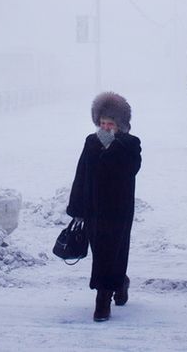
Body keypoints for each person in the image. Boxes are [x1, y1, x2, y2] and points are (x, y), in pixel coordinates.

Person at [66, 91, 141, 323]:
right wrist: (76, 208)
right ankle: (119, 282)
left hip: (119, 210)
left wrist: (113, 147)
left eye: (111, 123)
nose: (106, 127)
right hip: (93, 210)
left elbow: (131, 169)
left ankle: (102, 300)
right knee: (102, 253)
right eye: (102, 123)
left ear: (121, 125)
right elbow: (82, 174)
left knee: (114, 250)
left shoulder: (130, 144)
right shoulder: (91, 142)